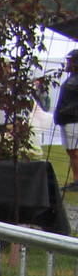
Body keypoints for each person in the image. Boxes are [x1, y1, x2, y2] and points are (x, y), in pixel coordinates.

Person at [55, 49, 78, 194]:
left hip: (73, 119)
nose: (68, 63)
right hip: (66, 119)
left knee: (75, 152)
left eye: (71, 60)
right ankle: (76, 179)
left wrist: (67, 111)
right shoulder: (71, 78)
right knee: (71, 151)